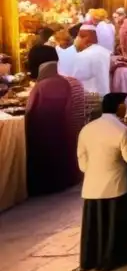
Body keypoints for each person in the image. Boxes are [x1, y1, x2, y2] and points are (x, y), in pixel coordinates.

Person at [77, 92, 127, 271]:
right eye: (124, 103)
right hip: (115, 186)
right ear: (118, 106)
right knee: (112, 226)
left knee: (93, 225)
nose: (125, 107)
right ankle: (110, 258)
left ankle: (90, 259)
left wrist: (92, 170)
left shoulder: (87, 128)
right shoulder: (121, 130)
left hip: (91, 186)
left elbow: (82, 160)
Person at [26, 61, 81, 195]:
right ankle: (63, 182)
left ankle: (44, 185)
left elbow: (29, 108)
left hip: (42, 127)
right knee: (60, 153)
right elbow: (69, 104)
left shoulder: (40, 86)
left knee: (44, 155)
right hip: (60, 124)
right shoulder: (64, 83)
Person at [73, 26, 112, 96]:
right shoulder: (106, 52)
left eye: (77, 37)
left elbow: (75, 77)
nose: (75, 40)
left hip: (90, 97)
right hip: (105, 95)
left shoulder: (83, 56)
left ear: (85, 38)